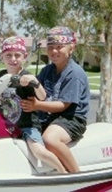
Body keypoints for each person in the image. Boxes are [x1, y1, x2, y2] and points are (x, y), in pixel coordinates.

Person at [0, 36, 67, 173]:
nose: (13, 59)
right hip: (8, 125)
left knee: (39, 152)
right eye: (8, 55)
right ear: (2, 57)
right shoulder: (2, 75)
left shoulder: (26, 76)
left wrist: (34, 82)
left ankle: (63, 172)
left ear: (24, 57)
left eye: (17, 55)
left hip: (27, 126)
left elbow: (42, 97)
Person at [19, 26, 90, 173]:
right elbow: (37, 91)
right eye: (51, 47)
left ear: (71, 48)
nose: (54, 51)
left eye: (59, 47)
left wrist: (37, 105)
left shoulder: (74, 73)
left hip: (71, 119)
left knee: (50, 139)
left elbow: (63, 105)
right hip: (50, 117)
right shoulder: (47, 70)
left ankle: (76, 174)